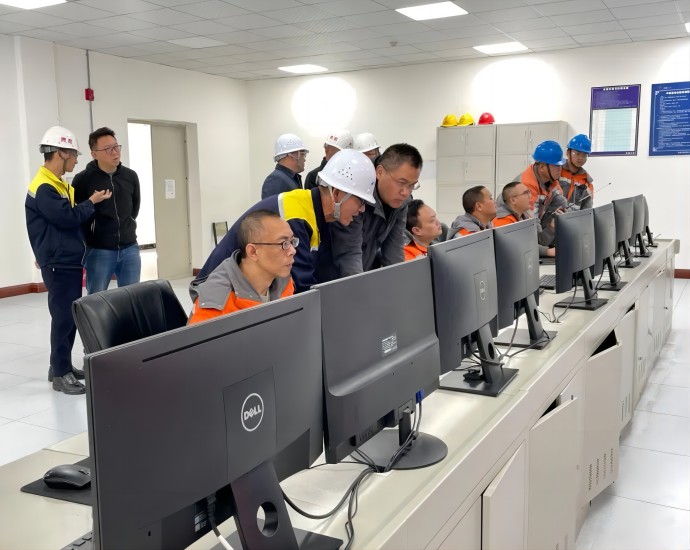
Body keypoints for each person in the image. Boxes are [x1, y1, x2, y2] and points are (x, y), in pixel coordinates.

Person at [192, 149, 375, 298]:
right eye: (360, 201)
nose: (362, 210)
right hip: (215, 293)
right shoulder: (296, 216)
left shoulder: (316, 213)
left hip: (245, 292)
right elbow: (302, 289)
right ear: (336, 194)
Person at [25, 126, 112, 395]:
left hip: (65, 259)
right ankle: (61, 375)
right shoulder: (45, 187)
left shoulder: (58, 183)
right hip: (58, 262)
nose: (75, 160)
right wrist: (91, 202)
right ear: (61, 153)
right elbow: (67, 218)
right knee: (63, 317)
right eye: (74, 154)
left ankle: (59, 366)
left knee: (68, 316)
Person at [330, 143, 423, 275]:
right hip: (336, 278)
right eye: (401, 183)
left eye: (412, 185)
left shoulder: (401, 203)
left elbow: (394, 251)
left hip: (363, 273)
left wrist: (400, 282)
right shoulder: (357, 194)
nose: (406, 192)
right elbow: (349, 254)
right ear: (380, 172)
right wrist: (360, 286)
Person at [189, 211, 295, 325]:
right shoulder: (215, 305)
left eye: (292, 242)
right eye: (284, 243)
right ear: (253, 252)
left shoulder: (283, 281)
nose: (293, 251)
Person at [72, 127, 141, 294]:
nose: (115, 152)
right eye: (108, 149)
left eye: (116, 146)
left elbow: (134, 208)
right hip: (99, 250)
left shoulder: (130, 176)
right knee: (96, 299)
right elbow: (78, 215)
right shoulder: (82, 180)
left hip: (130, 248)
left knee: (132, 298)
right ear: (94, 154)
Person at [494, 182, 556, 258]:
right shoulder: (502, 220)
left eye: (529, 192)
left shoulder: (525, 215)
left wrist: (551, 228)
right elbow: (518, 246)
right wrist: (547, 251)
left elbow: (539, 241)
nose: (530, 196)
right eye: (526, 193)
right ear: (513, 200)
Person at [512, 140, 567, 224]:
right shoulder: (526, 185)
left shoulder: (551, 179)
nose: (560, 169)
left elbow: (561, 202)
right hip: (511, 227)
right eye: (556, 165)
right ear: (541, 167)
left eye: (560, 165)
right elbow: (532, 223)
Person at [261, 133, 308, 199]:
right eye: (303, 154)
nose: (304, 159)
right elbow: (271, 205)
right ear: (292, 155)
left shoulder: (290, 178)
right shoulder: (275, 180)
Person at [560, 134, 594, 210]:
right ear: (568, 153)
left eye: (584, 155)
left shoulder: (586, 182)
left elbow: (587, 211)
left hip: (573, 217)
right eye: (577, 153)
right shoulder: (556, 172)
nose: (581, 158)